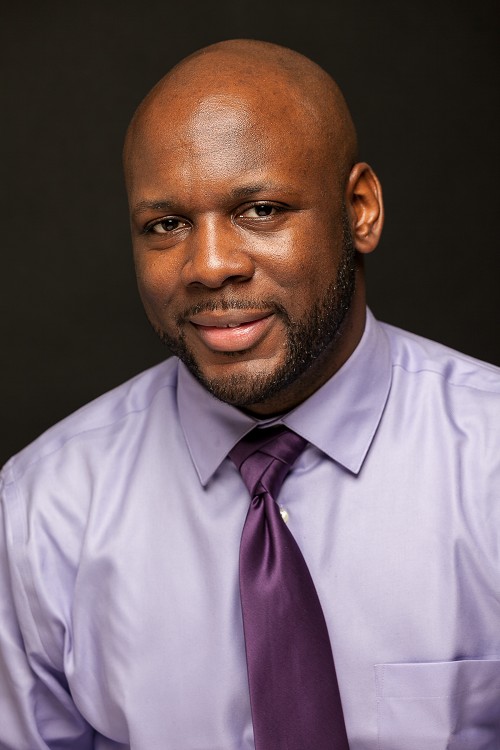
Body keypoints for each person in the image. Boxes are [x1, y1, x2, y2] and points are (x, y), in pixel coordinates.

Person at [1, 39, 499, 750]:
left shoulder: (488, 466)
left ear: (360, 210)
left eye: (260, 210)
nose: (209, 266)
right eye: (166, 225)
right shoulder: (41, 513)